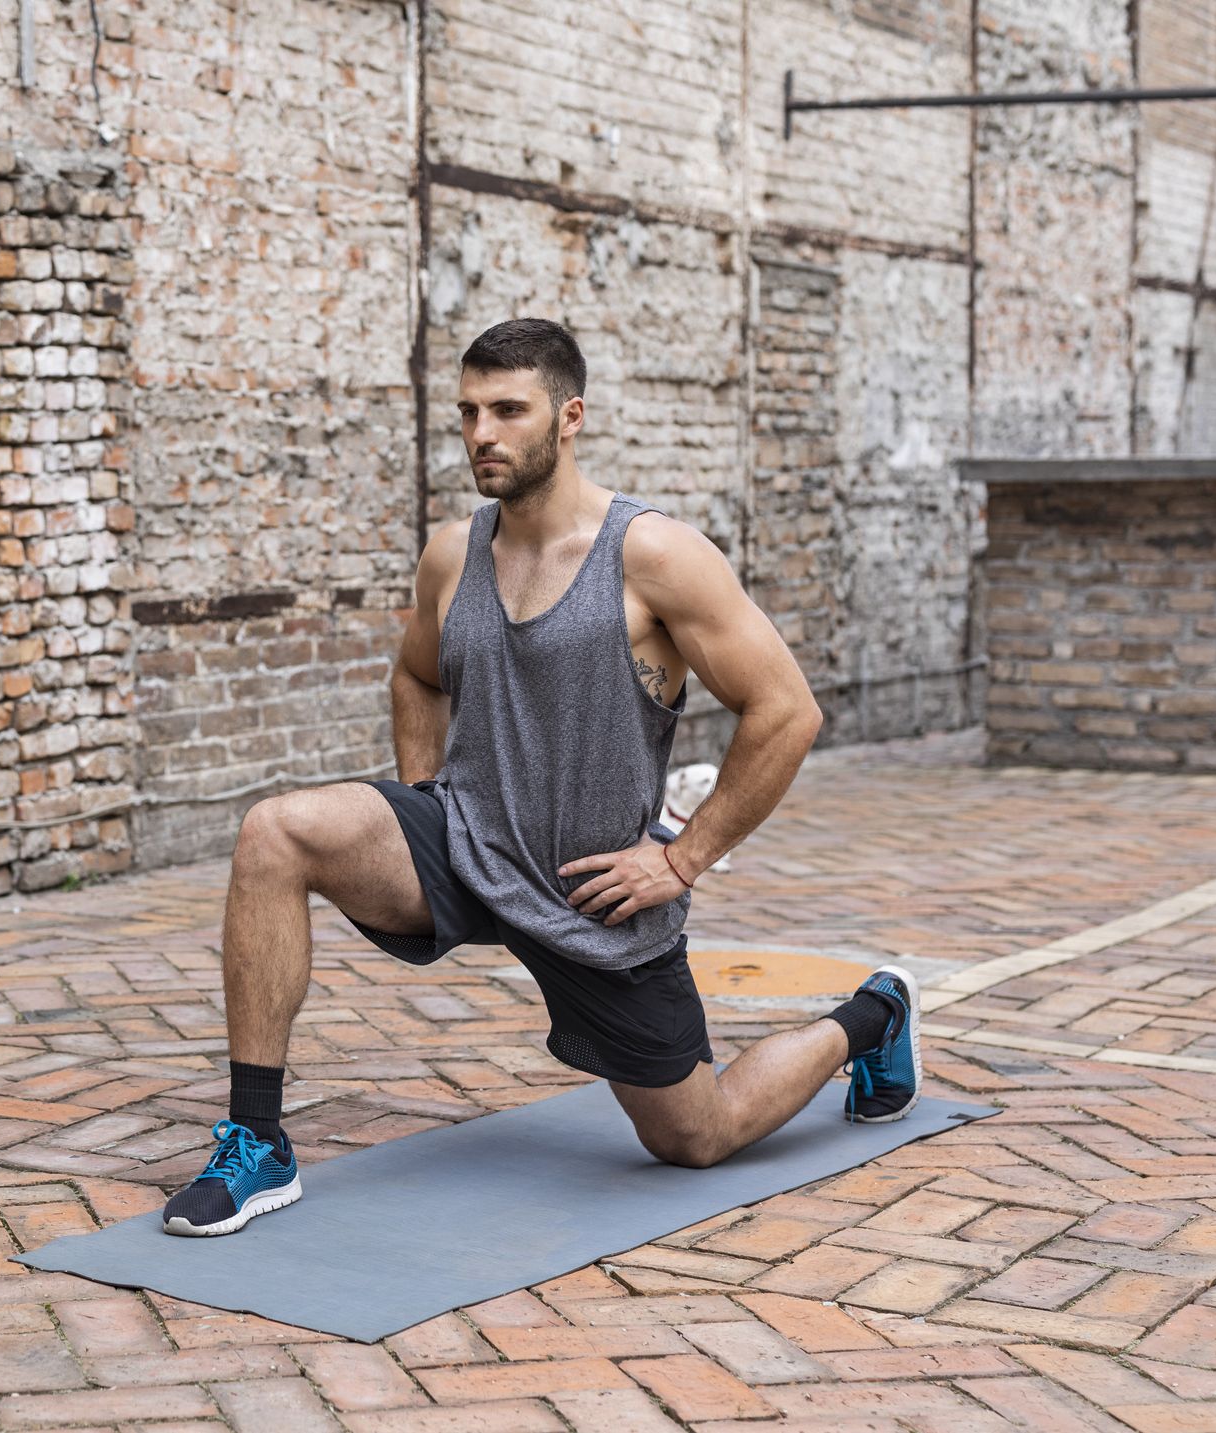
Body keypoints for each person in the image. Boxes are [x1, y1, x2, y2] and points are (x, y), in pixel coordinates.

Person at [161, 318, 920, 1237]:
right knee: (274, 832)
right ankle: (256, 1138)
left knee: (695, 1135)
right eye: (469, 412)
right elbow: (415, 673)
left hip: (591, 888)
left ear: (569, 418)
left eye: (507, 410)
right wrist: (424, 794)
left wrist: (678, 864)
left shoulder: (654, 556)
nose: (481, 432)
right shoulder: (454, 553)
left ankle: (871, 1018)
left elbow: (786, 711)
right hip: (468, 839)